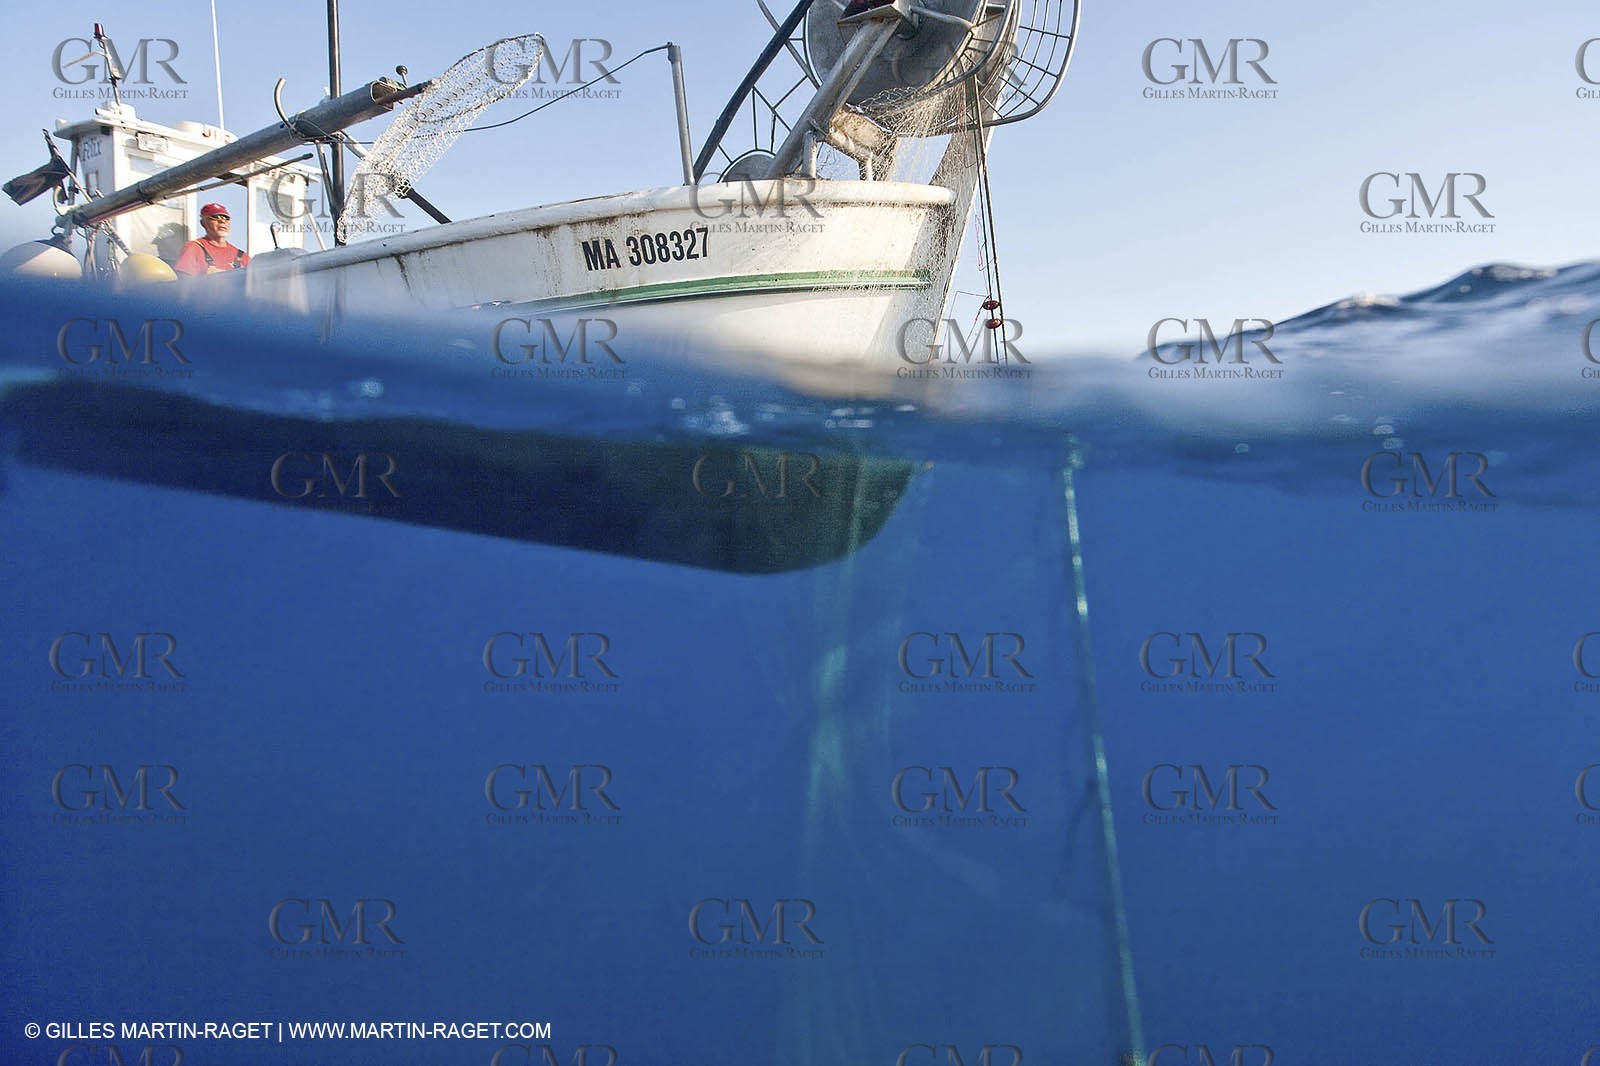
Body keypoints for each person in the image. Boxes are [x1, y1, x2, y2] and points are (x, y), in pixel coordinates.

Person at [174, 203, 249, 275]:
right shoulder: (193, 248)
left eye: (226, 218)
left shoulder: (242, 256)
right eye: (216, 217)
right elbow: (183, 280)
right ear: (203, 223)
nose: (222, 221)